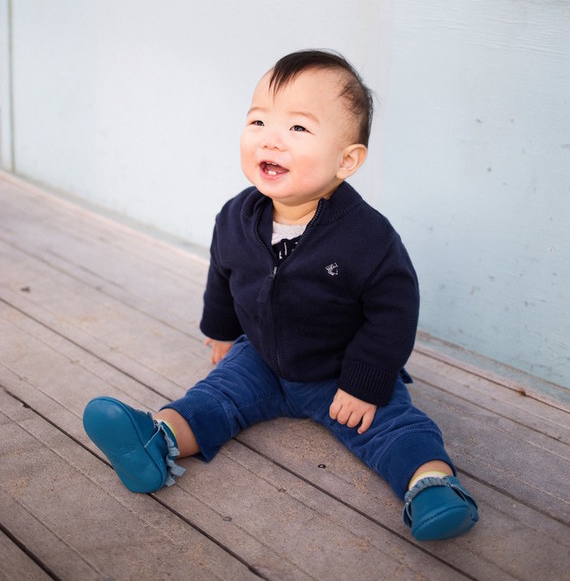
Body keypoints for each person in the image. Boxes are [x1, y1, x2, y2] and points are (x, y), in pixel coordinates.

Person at [83, 49, 478, 541]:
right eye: (258, 121)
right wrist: (222, 331)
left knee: (393, 425)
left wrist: (365, 381)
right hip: (261, 360)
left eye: (298, 128)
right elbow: (223, 274)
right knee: (211, 399)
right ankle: (155, 441)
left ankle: (431, 485)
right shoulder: (236, 216)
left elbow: (394, 311)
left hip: (340, 371)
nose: (271, 138)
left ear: (347, 160)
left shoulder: (368, 238)